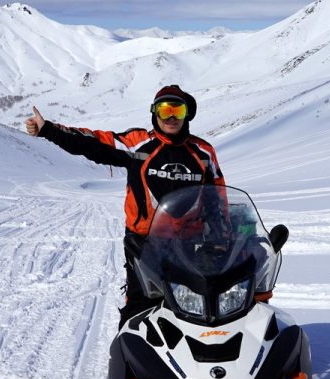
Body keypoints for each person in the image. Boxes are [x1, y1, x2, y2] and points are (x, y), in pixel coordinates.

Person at [24, 85, 226, 325]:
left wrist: (221, 241)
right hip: (144, 243)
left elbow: (218, 199)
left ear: (187, 114)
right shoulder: (137, 144)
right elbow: (92, 142)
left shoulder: (202, 152)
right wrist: (49, 130)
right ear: (154, 113)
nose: (171, 117)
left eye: (178, 110)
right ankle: (130, 360)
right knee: (141, 308)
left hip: (190, 244)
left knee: (193, 307)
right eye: (165, 110)